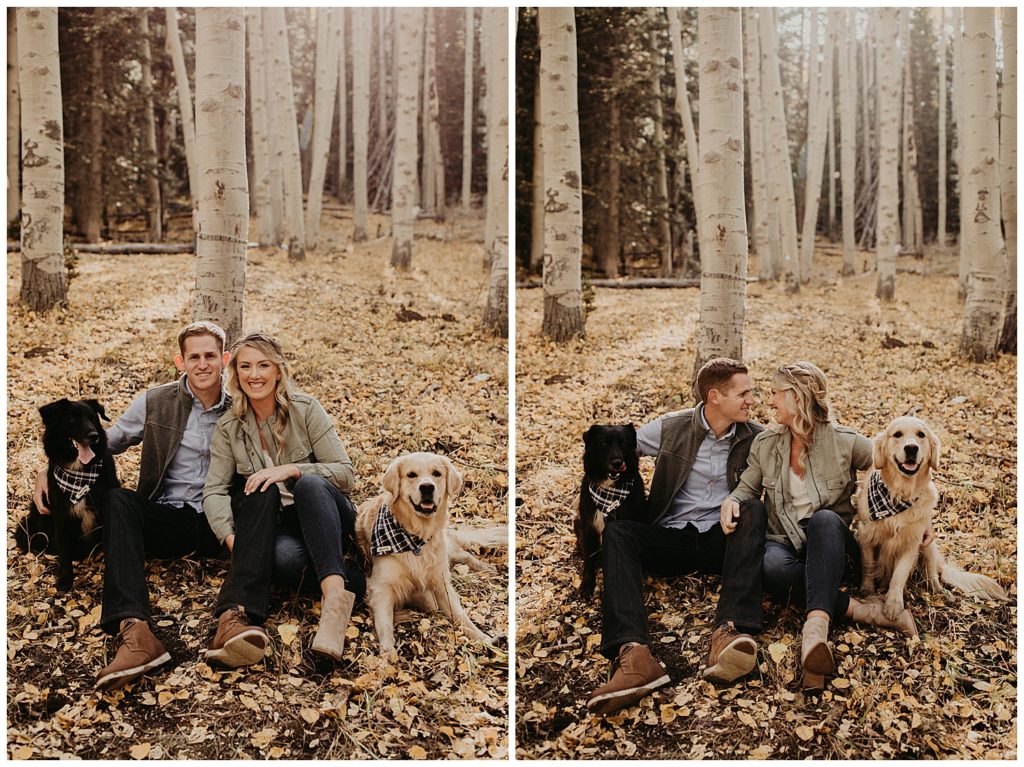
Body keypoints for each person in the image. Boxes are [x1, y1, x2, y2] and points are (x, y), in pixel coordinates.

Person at [29, 321, 231, 691]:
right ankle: (134, 630)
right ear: (180, 361)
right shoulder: (156, 402)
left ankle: (235, 620)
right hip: (169, 518)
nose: (203, 364)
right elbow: (108, 441)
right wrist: (49, 472)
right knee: (117, 497)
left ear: (224, 360)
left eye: (210, 356)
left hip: (225, 523)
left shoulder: (243, 404)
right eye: (194, 357)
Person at [720, 361, 918, 693]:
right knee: (769, 565)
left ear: (797, 397)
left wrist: (917, 520)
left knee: (825, 519)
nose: (769, 402)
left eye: (774, 394)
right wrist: (731, 500)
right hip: (782, 541)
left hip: (831, 545)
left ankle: (814, 632)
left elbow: (898, 472)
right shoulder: (766, 444)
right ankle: (864, 613)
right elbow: (746, 489)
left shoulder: (846, 442)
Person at [586, 358, 766, 716]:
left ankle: (728, 633)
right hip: (670, 537)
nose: (752, 400)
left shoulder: (757, 437)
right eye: (744, 393)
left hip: (722, 540)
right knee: (619, 533)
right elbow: (618, 449)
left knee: (754, 511)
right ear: (715, 396)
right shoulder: (670, 428)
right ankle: (634, 654)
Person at [201, 332, 365, 667]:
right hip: (285, 524)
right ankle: (353, 580)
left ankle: (334, 609)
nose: (254, 374)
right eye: (245, 366)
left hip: (326, 510)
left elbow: (345, 473)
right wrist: (233, 539)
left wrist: (292, 469)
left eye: (263, 365)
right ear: (235, 374)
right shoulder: (229, 426)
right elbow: (214, 490)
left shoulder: (305, 409)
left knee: (308, 486)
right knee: (282, 558)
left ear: (278, 370)